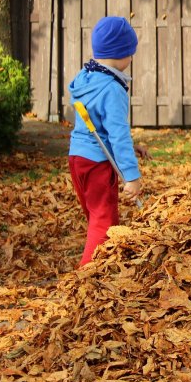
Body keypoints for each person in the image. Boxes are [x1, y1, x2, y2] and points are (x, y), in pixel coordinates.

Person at [68, 16, 150, 266]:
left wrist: (132, 148)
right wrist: (132, 177)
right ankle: (88, 277)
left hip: (78, 158)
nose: (132, 58)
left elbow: (98, 125)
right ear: (120, 53)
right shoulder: (113, 89)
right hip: (97, 163)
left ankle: (104, 267)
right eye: (130, 53)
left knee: (96, 216)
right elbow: (118, 135)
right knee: (104, 222)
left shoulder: (87, 77)